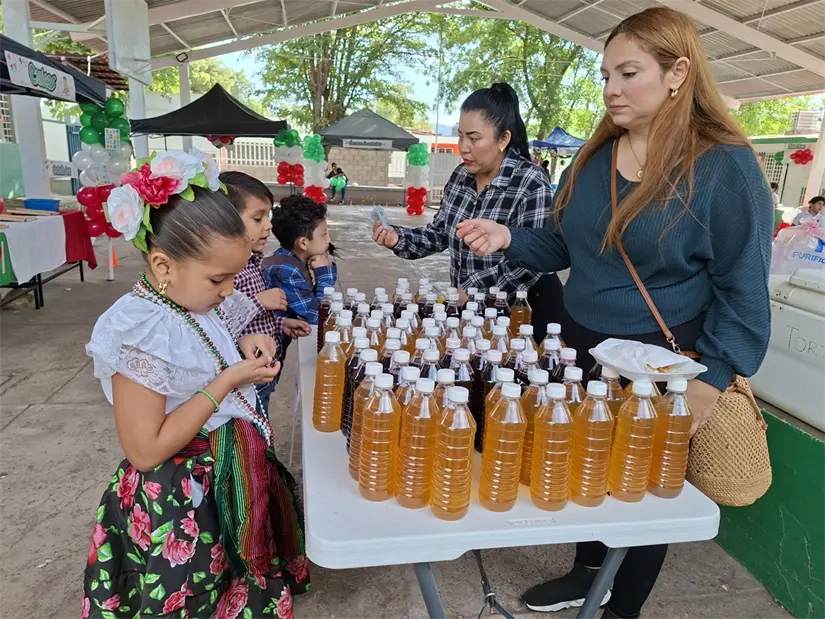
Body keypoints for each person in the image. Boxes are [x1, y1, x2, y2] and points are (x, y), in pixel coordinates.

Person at [457, 9, 771, 619]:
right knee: (583, 469)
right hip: (582, 352)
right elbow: (564, 245)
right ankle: (587, 574)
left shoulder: (723, 167)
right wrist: (509, 237)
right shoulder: (595, 158)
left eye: (629, 73)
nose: (611, 90)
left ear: (678, 73)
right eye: (606, 76)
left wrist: (710, 380)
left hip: (662, 363)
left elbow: (744, 290)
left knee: (642, 490)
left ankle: (622, 607)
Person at [84, 151, 310, 619]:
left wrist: (243, 343)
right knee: (191, 596)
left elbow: (209, 340)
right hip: (180, 501)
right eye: (219, 279)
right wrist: (227, 381)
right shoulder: (140, 329)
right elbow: (145, 450)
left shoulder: (191, 301)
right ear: (163, 265)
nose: (229, 291)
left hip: (221, 476)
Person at [372, 81, 564, 343]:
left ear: (503, 139)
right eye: (461, 136)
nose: (463, 147)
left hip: (521, 312)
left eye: (474, 138)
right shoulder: (461, 176)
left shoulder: (530, 182)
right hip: (470, 310)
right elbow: (440, 232)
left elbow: (533, 260)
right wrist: (398, 238)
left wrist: (474, 287)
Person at [220, 171, 312, 412]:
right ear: (225, 222)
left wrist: (280, 324)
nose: (268, 225)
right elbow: (219, 324)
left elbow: (253, 322)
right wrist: (259, 301)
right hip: (243, 379)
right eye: (257, 218)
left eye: (267, 217)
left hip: (264, 371)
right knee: (250, 425)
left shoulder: (253, 261)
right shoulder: (225, 272)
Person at [264, 195, 337, 359]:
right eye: (324, 234)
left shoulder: (291, 259)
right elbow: (317, 316)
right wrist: (324, 274)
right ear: (303, 243)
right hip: (265, 352)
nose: (328, 240)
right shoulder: (287, 270)